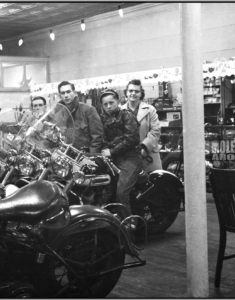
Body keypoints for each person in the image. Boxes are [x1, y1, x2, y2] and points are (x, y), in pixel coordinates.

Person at [99, 88, 142, 235]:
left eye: (111, 102)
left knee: (121, 192)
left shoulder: (126, 115)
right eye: (105, 104)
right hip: (113, 158)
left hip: (130, 157)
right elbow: (101, 140)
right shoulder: (102, 119)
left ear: (118, 101)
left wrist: (111, 151)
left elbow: (132, 139)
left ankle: (129, 227)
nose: (109, 106)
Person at [121, 79, 162, 172]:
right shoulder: (120, 111)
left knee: (152, 183)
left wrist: (144, 149)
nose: (133, 93)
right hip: (127, 158)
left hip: (148, 155)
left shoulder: (150, 110)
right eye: (130, 91)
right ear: (126, 93)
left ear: (141, 93)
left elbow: (155, 131)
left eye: (136, 91)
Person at [58, 81, 103, 153]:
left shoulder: (88, 110)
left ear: (74, 93)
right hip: (66, 156)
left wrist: (91, 157)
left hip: (85, 156)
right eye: (63, 93)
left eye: (68, 92)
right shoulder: (58, 114)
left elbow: (97, 137)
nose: (66, 95)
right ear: (59, 96)